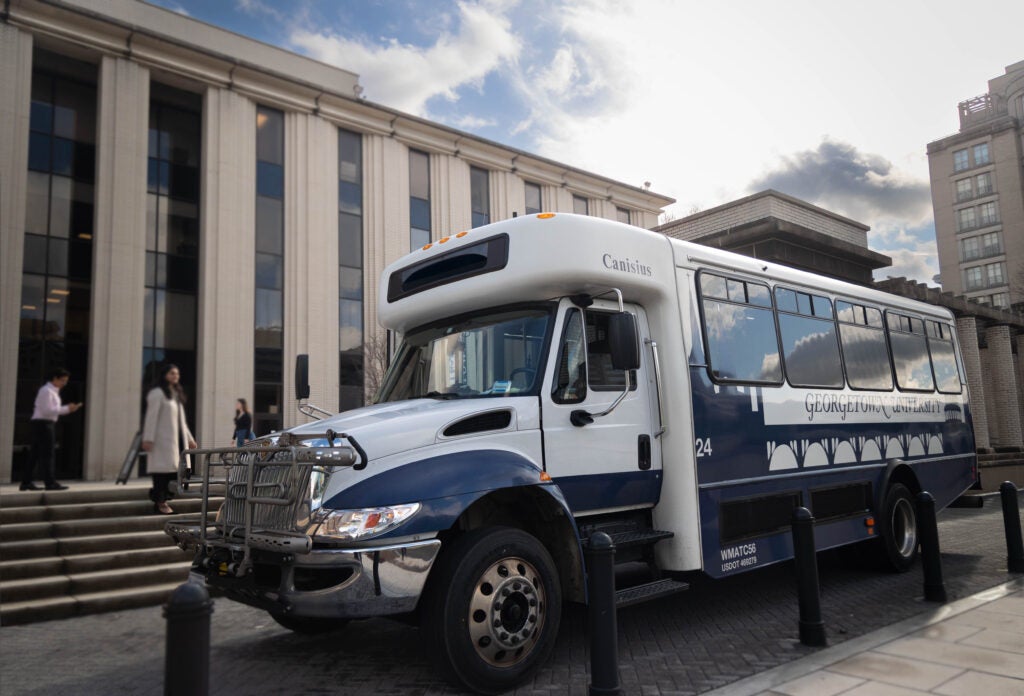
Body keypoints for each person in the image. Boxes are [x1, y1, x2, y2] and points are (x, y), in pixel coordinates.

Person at [141, 364, 196, 515]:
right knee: (161, 473)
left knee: (173, 472)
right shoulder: (157, 393)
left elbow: (181, 421)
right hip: (161, 441)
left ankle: (164, 500)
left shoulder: (175, 393)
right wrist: (148, 439)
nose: (175, 376)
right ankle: (160, 503)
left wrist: (190, 439)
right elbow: (151, 418)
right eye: (172, 373)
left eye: (177, 373)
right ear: (164, 374)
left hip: (176, 441)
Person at [21, 368, 82, 491]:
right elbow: (47, 410)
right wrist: (67, 409)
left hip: (43, 423)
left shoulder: (52, 391)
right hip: (43, 423)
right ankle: (50, 483)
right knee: (48, 454)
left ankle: (26, 482)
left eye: (66, 381)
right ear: (55, 378)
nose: (64, 383)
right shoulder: (47, 391)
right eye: (62, 380)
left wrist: (67, 409)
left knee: (36, 454)